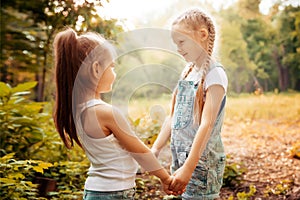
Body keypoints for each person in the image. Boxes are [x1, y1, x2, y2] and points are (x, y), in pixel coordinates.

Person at [52, 27, 182, 199]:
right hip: (114, 193)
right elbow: (140, 153)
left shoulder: (76, 110)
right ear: (96, 69)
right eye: (112, 66)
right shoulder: (106, 113)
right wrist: (166, 178)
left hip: (95, 191)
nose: (114, 72)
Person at [151, 8, 228, 199]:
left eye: (181, 41)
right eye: (175, 43)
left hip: (201, 165)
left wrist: (188, 169)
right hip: (182, 159)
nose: (178, 48)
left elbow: (207, 124)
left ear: (202, 35)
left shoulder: (215, 74)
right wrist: (155, 149)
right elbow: (172, 116)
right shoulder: (188, 71)